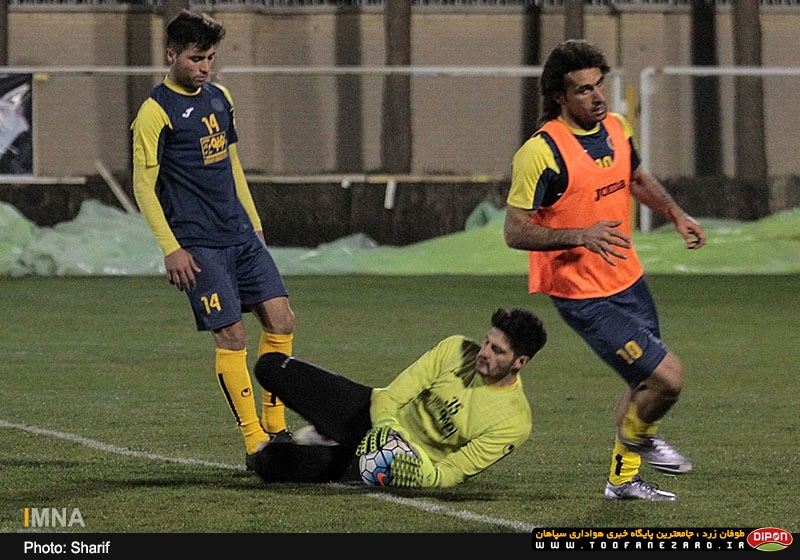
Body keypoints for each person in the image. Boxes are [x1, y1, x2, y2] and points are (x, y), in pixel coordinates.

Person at [504, 40, 707, 501]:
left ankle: (622, 481)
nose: (597, 97)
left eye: (599, 85)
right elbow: (515, 232)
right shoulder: (540, 153)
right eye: (584, 90)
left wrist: (676, 214)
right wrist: (580, 234)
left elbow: (635, 178)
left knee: (642, 381)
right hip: (582, 294)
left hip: (628, 279)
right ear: (559, 97)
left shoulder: (616, 126)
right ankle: (640, 437)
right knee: (668, 379)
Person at [131, 10, 295, 467]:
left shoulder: (221, 98)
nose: (204, 67)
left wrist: (254, 221)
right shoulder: (155, 112)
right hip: (198, 244)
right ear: (171, 55)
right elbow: (143, 186)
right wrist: (171, 248)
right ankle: (254, 441)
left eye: (210, 58)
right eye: (196, 58)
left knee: (282, 321)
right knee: (232, 333)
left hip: (240, 234)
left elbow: (232, 163)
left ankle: (277, 427)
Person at [246, 308, 547, 488]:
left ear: (520, 362)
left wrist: (421, 475)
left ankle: (329, 442)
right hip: (374, 417)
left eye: (497, 351)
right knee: (271, 366)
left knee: (268, 462)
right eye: (487, 342)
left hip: (399, 461)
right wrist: (387, 429)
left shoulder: (513, 422)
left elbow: (454, 471)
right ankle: (330, 432)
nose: (484, 352)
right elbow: (391, 396)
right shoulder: (456, 349)